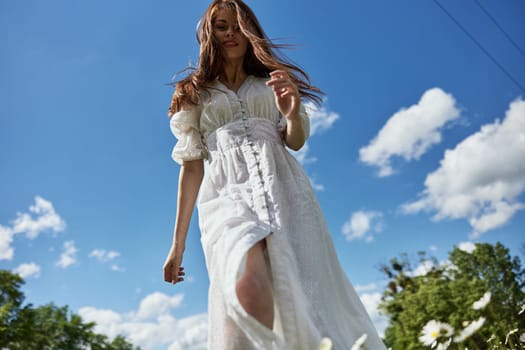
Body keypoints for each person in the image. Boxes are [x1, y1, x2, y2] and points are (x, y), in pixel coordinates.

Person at [163, 1, 387, 349]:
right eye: (222, 27)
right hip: (226, 194)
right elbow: (191, 166)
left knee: (303, 290)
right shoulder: (194, 93)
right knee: (245, 282)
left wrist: (293, 113)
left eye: (238, 26)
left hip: (284, 190)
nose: (231, 34)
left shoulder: (270, 82)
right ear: (210, 35)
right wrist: (177, 245)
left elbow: (294, 141)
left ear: (250, 31)